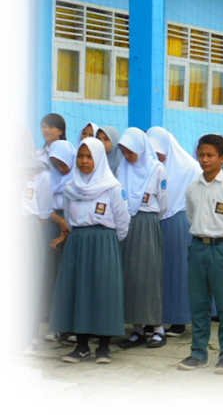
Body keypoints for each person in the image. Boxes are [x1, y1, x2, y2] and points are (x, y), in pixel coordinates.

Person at [49, 137, 130, 364]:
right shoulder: (70, 187)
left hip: (104, 241)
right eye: (80, 156)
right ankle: (81, 346)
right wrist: (78, 236)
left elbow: (123, 221)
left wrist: (109, 243)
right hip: (77, 242)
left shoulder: (112, 188)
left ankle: (103, 348)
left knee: (104, 292)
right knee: (78, 291)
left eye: (89, 157)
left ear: (99, 159)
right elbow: (70, 218)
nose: (84, 161)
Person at [178, 134, 223, 374]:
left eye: (210, 155)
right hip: (198, 248)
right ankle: (198, 353)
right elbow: (191, 216)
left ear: (222, 158)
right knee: (198, 304)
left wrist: (222, 240)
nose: (204, 160)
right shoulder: (192, 188)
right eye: (201, 155)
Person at [146, 127, 203, 338]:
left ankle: (179, 319)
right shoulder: (150, 167)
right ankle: (154, 318)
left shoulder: (189, 168)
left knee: (178, 271)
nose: (156, 156)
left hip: (179, 223)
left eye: (159, 151)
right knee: (156, 273)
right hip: (155, 222)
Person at [116, 128, 169, 349]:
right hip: (127, 224)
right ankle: (137, 329)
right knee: (131, 276)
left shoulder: (157, 169)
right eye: (125, 152)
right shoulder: (123, 169)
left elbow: (163, 205)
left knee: (148, 276)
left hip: (147, 223)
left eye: (131, 151)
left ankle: (157, 328)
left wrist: (145, 216)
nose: (128, 156)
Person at [9, 120, 53, 357]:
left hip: (29, 229)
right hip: (9, 229)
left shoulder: (39, 173)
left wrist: (24, 225)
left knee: (28, 284)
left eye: (10, 139)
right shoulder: (9, 169)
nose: (8, 144)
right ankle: (10, 337)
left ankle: (27, 338)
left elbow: (45, 211)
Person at [39, 140, 76, 341]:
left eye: (63, 164)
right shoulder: (47, 178)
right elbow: (44, 206)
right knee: (52, 275)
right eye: (55, 164)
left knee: (68, 276)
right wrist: (60, 223)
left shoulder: (78, 179)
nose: (60, 169)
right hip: (53, 224)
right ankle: (55, 324)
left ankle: (70, 325)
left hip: (72, 228)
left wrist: (65, 229)